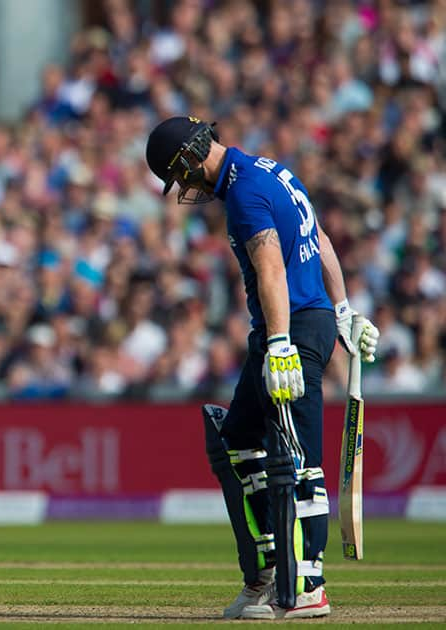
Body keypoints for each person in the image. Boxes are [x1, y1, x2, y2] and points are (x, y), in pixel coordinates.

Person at [145, 116, 379, 620]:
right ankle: (267, 573)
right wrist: (342, 308)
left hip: (290, 328)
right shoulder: (272, 171)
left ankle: (307, 583)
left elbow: (271, 266)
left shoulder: (245, 195)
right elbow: (320, 238)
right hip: (302, 321)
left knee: (295, 453)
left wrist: (278, 344)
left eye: (179, 175)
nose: (184, 187)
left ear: (188, 158)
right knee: (236, 439)